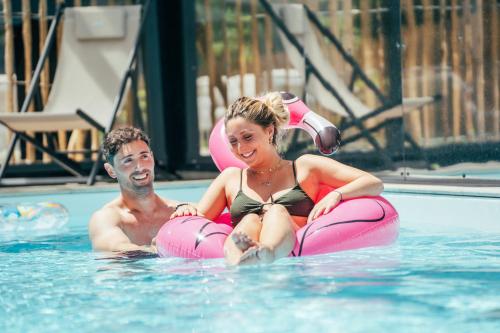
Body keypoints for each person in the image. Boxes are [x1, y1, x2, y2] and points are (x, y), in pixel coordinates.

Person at [171, 92, 384, 265]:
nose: (240, 148)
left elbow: (373, 183)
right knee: (250, 219)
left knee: (277, 210)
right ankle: (241, 258)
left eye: (248, 137)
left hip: (291, 252)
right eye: (233, 141)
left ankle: (265, 252)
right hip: (245, 239)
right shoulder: (231, 178)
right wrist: (184, 208)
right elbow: (199, 218)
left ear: (270, 131)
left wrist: (338, 194)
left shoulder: (306, 167)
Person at [88, 127, 196, 254]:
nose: (140, 166)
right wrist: (158, 250)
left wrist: (193, 219)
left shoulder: (181, 210)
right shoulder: (107, 218)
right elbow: (115, 248)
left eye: (144, 156)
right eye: (128, 160)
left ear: (152, 157)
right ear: (111, 170)